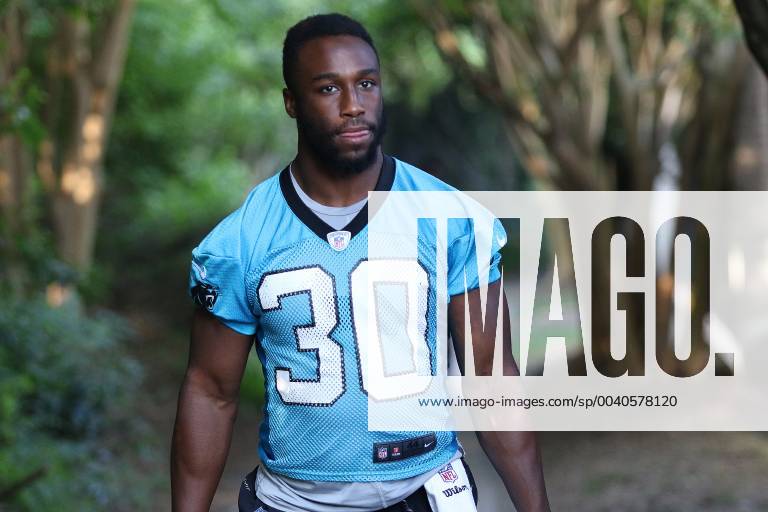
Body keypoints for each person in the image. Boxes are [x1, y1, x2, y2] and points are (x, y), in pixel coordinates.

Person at [171, 13, 550, 512]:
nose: (353, 106)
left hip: (427, 490)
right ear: (291, 102)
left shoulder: (453, 219)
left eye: (366, 84)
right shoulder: (240, 242)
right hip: (293, 500)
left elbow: (491, 374)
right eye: (328, 89)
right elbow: (211, 392)